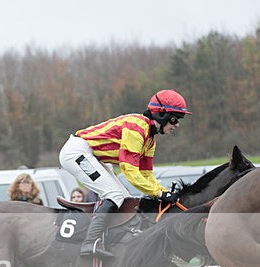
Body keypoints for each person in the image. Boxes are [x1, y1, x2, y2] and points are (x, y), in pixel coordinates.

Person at [60, 89, 191, 258]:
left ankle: (110, 239)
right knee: (113, 194)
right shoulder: (137, 128)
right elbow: (130, 171)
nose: (177, 125)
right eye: (175, 119)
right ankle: (90, 243)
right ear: (161, 114)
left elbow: (146, 174)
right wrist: (159, 193)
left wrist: (164, 192)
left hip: (93, 156)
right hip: (77, 152)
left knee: (125, 198)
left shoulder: (150, 140)